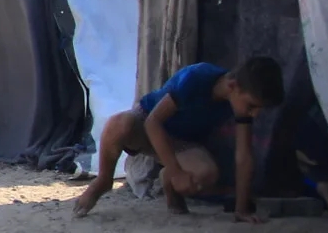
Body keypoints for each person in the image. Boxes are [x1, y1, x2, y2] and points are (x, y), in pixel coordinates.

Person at [75, 56, 287, 219]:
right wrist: (177, 172)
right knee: (118, 125)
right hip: (147, 124)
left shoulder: (239, 105)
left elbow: (244, 156)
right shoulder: (197, 77)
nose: (254, 114)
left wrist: (241, 209)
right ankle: (103, 180)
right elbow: (153, 123)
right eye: (252, 106)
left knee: (205, 173)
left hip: (181, 142)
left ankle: (168, 183)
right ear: (233, 86)